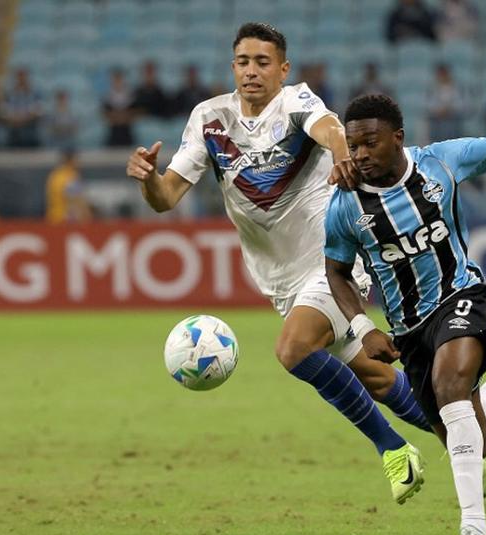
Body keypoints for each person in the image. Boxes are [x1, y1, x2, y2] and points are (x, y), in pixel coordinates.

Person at [125, 23, 432, 504]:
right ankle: (467, 434)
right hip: (282, 283)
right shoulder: (210, 119)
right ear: (233, 67)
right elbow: (166, 197)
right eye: (244, 61)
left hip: (332, 264)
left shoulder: (296, 103)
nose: (252, 71)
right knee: (376, 379)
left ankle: (393, 449)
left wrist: (341, 155)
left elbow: (328, 129)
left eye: (263, 62)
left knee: (293, 350)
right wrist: (147, 178)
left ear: (282, 69)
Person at [324, 94, 486, 535]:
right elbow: (336, 271)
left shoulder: (442, 163)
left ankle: (475, 530)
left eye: (371, 142)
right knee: (472, 442)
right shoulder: (345, 205)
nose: (362, 154)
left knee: (450, 383)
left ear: (398, 139)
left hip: (461, 296)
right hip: (408, 332)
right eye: (353, 146)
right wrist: (362, 327)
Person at [0, 68, 43, 148]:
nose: (21, 79)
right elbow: (4, 110)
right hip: (13, 124)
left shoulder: (35, 93)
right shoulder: (9, 94)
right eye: (19, 77)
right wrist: (14, 118)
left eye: (23, 77)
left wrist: (23, 118)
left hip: (29, 124)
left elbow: (38, 110)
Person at [46, 150, 92, 224]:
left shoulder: (55, 175)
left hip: (55, 217)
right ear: (70, 160)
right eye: (77, 159)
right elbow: (74, 200)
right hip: (65, 220)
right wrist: (85, 216)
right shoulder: (68, 177)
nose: (79, 163)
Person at [426, 63, 465, 142]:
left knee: (451, 125)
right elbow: (429, 105)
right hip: (437, 119)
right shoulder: (432, 89)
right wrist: (438, 111)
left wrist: (449, 110)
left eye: (444, 74)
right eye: (440, 74)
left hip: (453, 118)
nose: (442, 77)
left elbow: (461, 105)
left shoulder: (457, 89)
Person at [102, 68, 136, 147]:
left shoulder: (130, 96)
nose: (117, 82)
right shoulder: (107, 96)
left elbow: (134, 113)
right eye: (115, 80)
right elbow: (105, 114)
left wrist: (122, 117)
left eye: (119, 79)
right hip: (113, 131)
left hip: (127, 131)